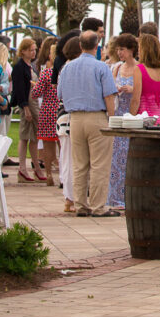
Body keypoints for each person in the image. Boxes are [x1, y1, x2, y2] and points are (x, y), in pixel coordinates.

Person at [57, 29, 119, 217]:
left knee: (79, 163)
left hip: (74, 118)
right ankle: (99, 206)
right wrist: (111, 118)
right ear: (97, 46)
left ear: (80, 46)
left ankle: (80, 205)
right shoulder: (101, 67)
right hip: (97, 117)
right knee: (99, 164)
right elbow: (109, 95)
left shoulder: (67, 67)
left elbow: (60, 94)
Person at [108, 33, 139, 209]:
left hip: (132, 114)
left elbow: (143, 91)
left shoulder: (139, 68)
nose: (120, 53)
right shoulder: (117, 68)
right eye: (118, 49)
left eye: (123, 49)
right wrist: (117, 89)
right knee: (116, 156)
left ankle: (128, 196)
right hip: (119, 112)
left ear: (131, 50)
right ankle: (115, 196)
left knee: (129, 156)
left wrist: (133, 89)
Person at [11, 36, 44, 182]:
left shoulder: (30, 66)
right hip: (28, 102)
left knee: (35, 136)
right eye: (30, 50)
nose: (33, 53)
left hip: (33, 101)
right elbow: (18, 89)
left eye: (34, 50)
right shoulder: (19, 67)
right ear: (23, 51)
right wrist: (25, 108)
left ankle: (34, 167)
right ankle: (23, 168)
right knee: (25, 136)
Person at [57, 35, 82, 212]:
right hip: (71, 116)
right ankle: (70, 197)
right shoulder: (72, 69)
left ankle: (69, 196)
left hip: (63, 117)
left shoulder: (64, 69)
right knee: (72, 159)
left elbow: (59, 94)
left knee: (66, 158)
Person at [131, 33, 160, 124]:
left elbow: (135, 100)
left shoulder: (139, 69)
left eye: (139, 48)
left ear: (144, 50)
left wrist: (131, 119)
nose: (138, 52)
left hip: (145, 122)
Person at [32, 42, 59, 186]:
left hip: (47, 110)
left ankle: (49, 174)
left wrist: (34, 86)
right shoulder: (64, 72)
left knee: (48, 146)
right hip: (61, 110)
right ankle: (63, 175)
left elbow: (36, 93)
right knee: (63, 146)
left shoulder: (47, 73)